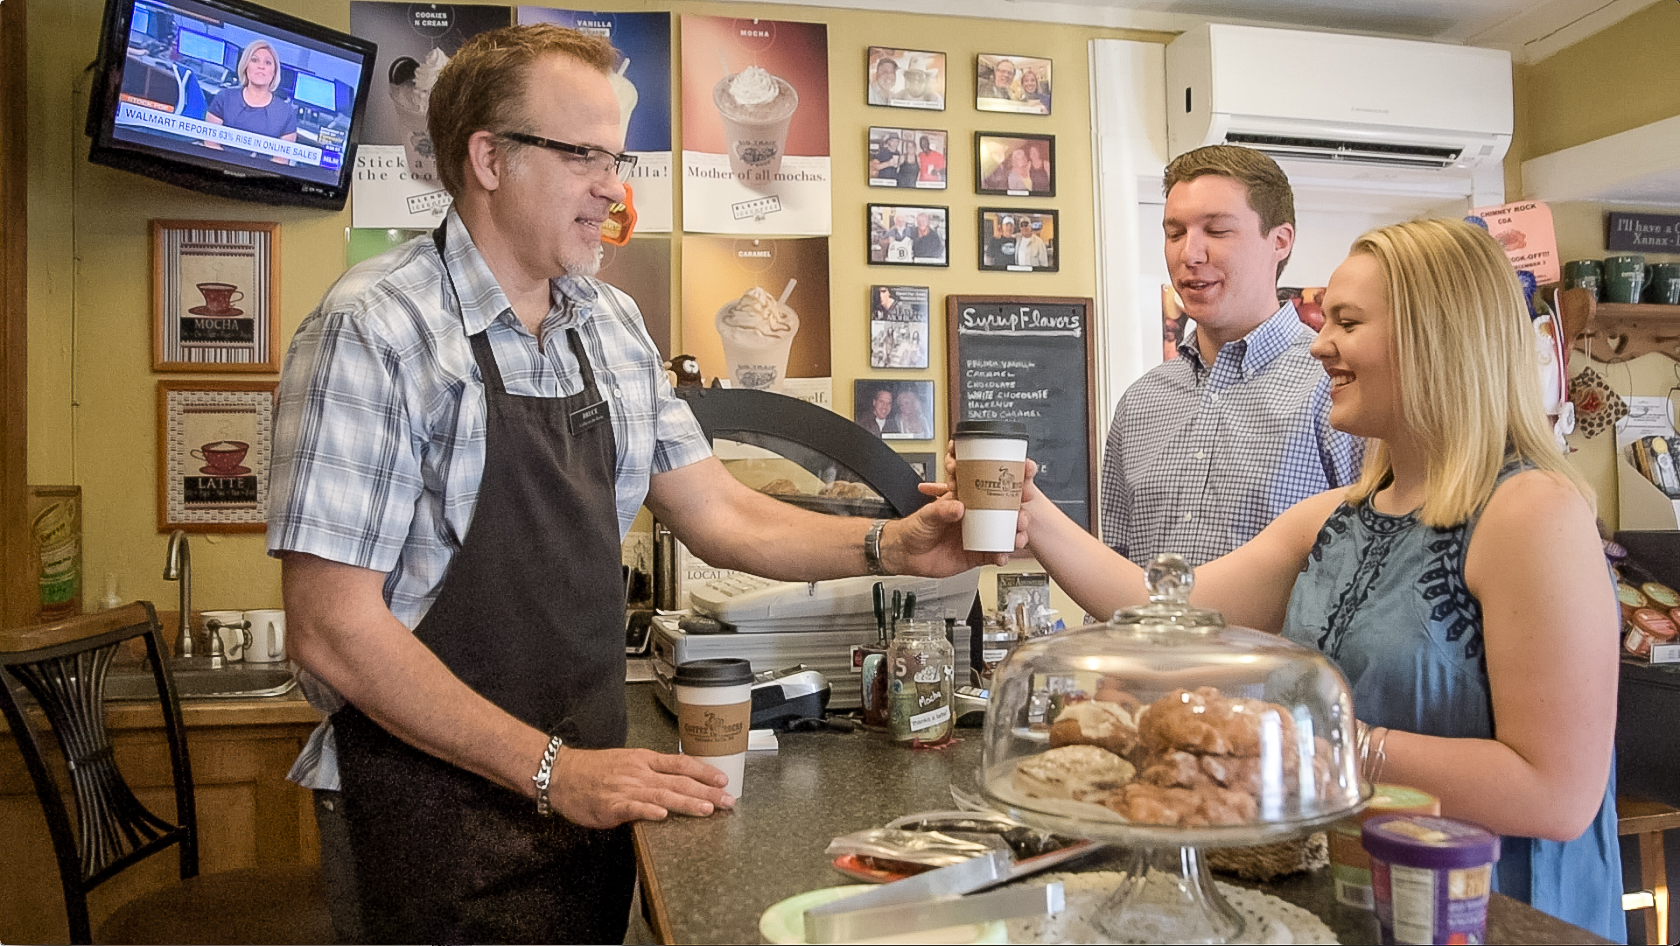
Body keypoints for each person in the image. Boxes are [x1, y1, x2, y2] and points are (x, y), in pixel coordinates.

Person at [267, 25, 1016, 945]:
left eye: (615, 156)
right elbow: (334, 628)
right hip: (429, 810)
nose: (612, 185)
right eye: (582, 154)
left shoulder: (609, 322)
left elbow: (718, 512)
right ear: (489, 159)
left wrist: (888, 545)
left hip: (586, 796)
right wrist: (551, 771)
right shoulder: (374, 330)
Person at [1010, 217, 1624, 942]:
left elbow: (1556, 795)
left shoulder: (1531, 512)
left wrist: (1323, 744)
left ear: (1438, 338)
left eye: (1347, 322)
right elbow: (1165, 612)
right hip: (1366, 897)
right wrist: (1030, 515)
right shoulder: (1338, 515)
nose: (1318, 343)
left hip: (1495, 914)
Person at [1100, 145, 1363, 566]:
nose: (1190, 254)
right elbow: (1113, 568)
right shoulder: (1139, 403)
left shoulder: (1335, 389)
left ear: (1280, 241)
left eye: (1217, 231)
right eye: (1175, 233)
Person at [204, 39, 297, 164]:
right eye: (254, 60)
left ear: (274, 72)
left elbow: (281, 161)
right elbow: (210, 144)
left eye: (268, 63)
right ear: (245, 65)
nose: (261, 66)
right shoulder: (224, 97)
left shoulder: (286, 113)